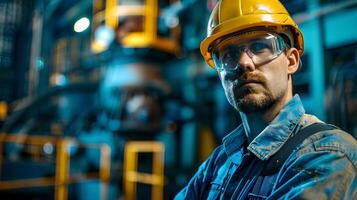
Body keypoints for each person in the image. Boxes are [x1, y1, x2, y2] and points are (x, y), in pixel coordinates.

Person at [175, 0, 357, 199]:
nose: (244, 63)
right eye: (229, 54)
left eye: (260, 46)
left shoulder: (328, 155)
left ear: (292, 60)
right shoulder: (219, 163)